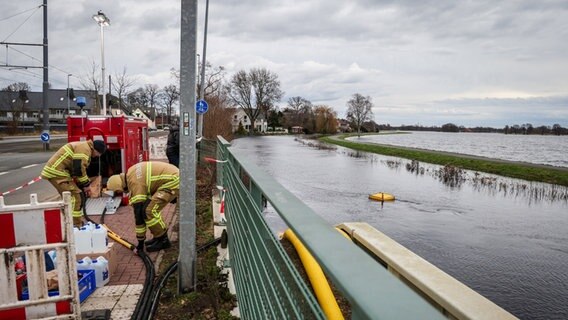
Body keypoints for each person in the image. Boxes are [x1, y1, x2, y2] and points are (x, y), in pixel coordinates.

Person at [105, 161, 178, 252]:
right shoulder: (130, 174)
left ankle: (163, 240)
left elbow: (138, 215)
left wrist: (140, 243)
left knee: (149, 211)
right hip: (172, 177)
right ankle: (158, 237)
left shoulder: (135, 184)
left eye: (118, 191)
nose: (121, 193)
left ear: (120, 186)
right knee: (147, 209)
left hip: (173, 180)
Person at [41, 140, 107, 227]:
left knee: (69, 198)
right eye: (99, 154)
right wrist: (86, 185)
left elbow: (75, 168)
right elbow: (79, 169)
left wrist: (82, 184)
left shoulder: (84, 146)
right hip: (57, 173)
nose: (97, 156)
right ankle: (75, 225)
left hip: (58, 172)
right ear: (96, 150)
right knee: (76, 197)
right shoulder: (85, 149)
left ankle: (68, 222)